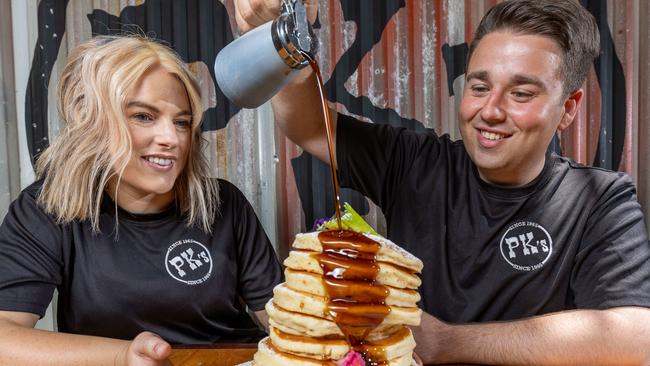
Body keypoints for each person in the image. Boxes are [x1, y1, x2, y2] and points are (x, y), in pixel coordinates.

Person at [234, 0, 650, 364]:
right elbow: (306, 126)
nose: (490, 111)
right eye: (479, 86)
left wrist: (448, 342)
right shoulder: (416, 162)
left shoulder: (600, 200)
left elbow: (636, 336)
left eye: (521, 94)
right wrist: (282, 40)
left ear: (568, 110)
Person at [0, 35, 282, 365]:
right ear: (95, 122)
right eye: (143, 116)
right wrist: (123, 357)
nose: (171, 139)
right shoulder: (46, 209)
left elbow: (285, 322)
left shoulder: (224, 203)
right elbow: (5, 338)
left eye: (181, 122)